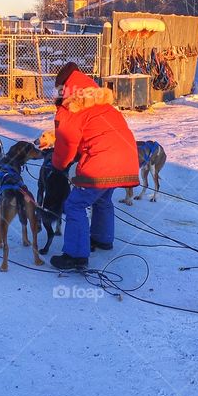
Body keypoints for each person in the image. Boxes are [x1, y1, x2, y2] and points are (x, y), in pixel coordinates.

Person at [50, 62, 139, 270]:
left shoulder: (72, 109)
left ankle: (75, 256)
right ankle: (102, 239)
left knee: (75, 204)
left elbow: (66, 142)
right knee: (102, 198)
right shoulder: (103, 105)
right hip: (126, 157)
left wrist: (58, 166)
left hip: (102, 161)